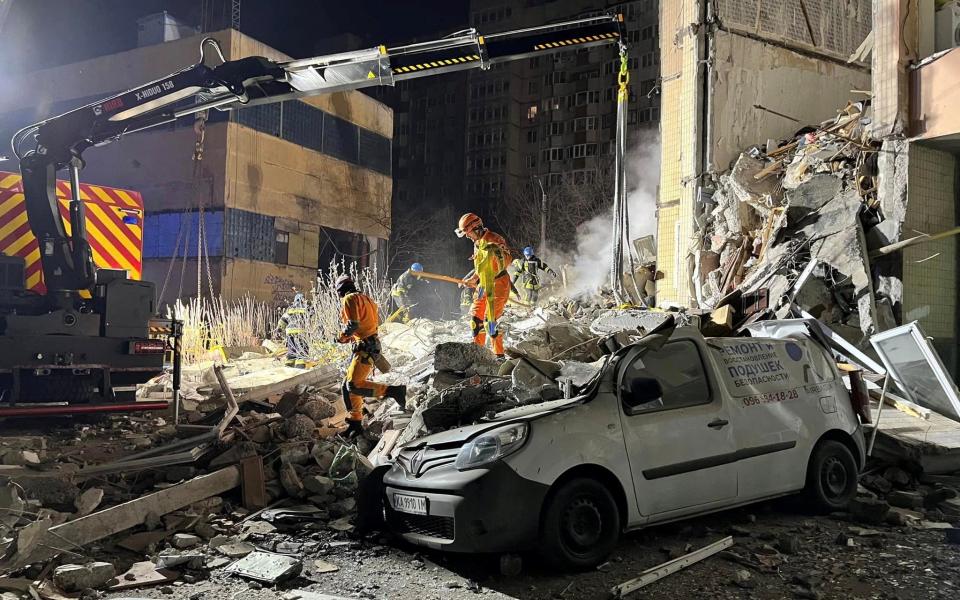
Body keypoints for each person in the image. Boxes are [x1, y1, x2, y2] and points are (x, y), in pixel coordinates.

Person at [334, 275, 406, 438]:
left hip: (366, 347)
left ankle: (394, 391)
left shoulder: (349, 298)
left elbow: (353, 325)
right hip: (370, 345)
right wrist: (353, 337)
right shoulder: (366, 298)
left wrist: (341, 337)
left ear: (340, 290)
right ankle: (355, 422)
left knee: (353, 385)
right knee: (348, 384)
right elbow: (366, 325)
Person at [455, 213, 512, 358]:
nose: (467, 237)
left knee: (489, 321)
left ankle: (499, 356)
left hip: (499, 283)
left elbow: (506, 261)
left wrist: (493, 252)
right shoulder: (477, 244)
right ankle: (478, 352)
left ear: (476, 228)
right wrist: (473, 278)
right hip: (483, 285)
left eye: (468, 233)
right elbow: (480, 267)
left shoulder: (495, 239)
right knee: (476, 319)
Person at [276, 292, 308, 368]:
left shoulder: (290, 309)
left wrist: (279, 329)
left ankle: (288, 365)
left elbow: (283, 320)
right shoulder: (305, 309)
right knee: (301, 350)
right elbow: (313, 319)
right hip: (301, 332)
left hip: (290, 332)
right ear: (303, 300)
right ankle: (299, 367)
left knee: (292, 349)